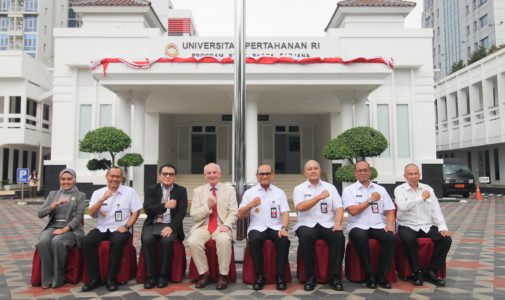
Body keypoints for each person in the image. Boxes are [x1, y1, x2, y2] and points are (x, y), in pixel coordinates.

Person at [81, 166, 142, 292]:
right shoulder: (98, 193)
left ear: (121, 178)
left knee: (118, 242)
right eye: (112, 176)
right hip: (103, 228)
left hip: (121, 228)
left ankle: (111, 279)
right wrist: (102, 199)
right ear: (106, 177)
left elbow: (136, 211)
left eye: (117, 176)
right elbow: (91, 213)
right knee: (86, 242)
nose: (114, 179)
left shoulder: (129, 192)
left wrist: (127, 226)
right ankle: (95, 278)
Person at [394, 163, 452, 287]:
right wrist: (421, 198)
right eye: (410, 174)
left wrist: (442, 227)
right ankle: (417, 272)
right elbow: (403, 207)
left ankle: (431, 270)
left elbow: (435, 209)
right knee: (409, 240)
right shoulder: (400, 189)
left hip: (426, 224)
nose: (413, 176)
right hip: (407, 224)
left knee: (446, 239)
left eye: (416, 173)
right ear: (405, 176)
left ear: (419, 175)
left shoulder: (428, 189)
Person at [342, 160, 396, 289]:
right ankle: (369, 274)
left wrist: (389, 224)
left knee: (391, 237)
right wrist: (370, 200)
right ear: (355, 173)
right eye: (360, 171)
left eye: (365, 170)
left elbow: (390, 211)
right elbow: (353, 211)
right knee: (360, 237)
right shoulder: (349, 190)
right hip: (357, 225)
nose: (363, 173)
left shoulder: (380, 189)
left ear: (370, 172)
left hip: (377, 225)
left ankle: (382, 274)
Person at [293, 160, 345, 291]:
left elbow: (339, 208)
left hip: (327, 223)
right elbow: (300, 207)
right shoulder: (299, 188)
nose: (313, 171)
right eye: (310, 169)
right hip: (306, 224)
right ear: (305, 172)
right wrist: (319, 197)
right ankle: (310, 276)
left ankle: (334, 276)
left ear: (320, 170)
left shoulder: (331, 187)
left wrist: (338, 223)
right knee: (306, 236)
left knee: (339, 236)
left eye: (316, 168)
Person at [237, 164, 290, 291]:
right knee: (254, 240)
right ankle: (259, 276)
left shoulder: (279, 192)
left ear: (272, 175)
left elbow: (285, 213)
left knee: (284, 240)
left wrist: (284, 227)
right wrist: (250, 205)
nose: (264, 176)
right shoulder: (250, 193)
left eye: (267, 173)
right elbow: (240, 215)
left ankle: (280, 276)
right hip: (257, 227)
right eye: (261, 174)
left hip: (276, 226)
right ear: (257, 176)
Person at [187, 163, 238, 290]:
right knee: (193, 241)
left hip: (221, 226)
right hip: (203, 226)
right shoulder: (198, 191)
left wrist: (226, 225)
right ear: (205, 176)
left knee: (224, 240)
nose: (212, 175)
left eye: (214, 172)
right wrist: (207, 207)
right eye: (208, 173)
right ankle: (204, 274)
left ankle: (223, 275)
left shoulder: (229, 190)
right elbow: (194, 216)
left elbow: (234, 211)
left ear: (219, 174)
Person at [36, 168, 85, 289]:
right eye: (63, 179)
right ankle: (47, 279)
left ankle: (59, 278)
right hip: (53, 227)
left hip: (71, 230)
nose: (66, 181)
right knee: (43, 242)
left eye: (69, 179)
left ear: (74, 180)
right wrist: (54, 205)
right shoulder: (53, 195)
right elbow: (40, 213)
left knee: (57, 241)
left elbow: (78, 217)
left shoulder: (80, 196)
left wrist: (64, 230)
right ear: (59, 180)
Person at [141, 163, 188, 289]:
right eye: (165, 174)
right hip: (153, 223)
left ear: (175, 177)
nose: (168, 176)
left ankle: (163, 275)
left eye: (171, 174)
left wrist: (171, 227)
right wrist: (164, 206)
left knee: (167, 242)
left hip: (170, 224)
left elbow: (182, 212)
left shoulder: (181, 190)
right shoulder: (151, 189)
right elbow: (148, 209)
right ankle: (151, 276)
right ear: (159, 176)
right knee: (147, 240)